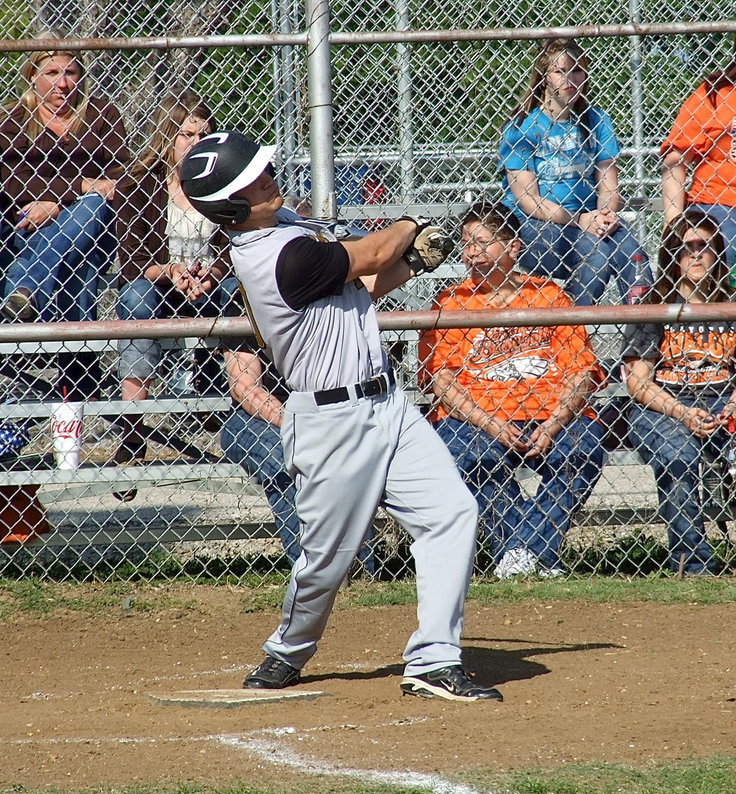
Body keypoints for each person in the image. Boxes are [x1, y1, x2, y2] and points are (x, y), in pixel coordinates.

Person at [180, 130, 502, 702]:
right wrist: (409, 224)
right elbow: (373, 252)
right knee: (327, 560)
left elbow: (361, 285)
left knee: (451, 513)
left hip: (389, 404)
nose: (269, 177)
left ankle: (433, 661)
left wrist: (415, 263)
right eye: (253, 181)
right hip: (330, 422)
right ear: (231, 207)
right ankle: (288, 649)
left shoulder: (289, 231)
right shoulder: (274, 255)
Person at [419, 201, 606, 578]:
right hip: (477, 416)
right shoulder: (450, 302)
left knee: (583, 450)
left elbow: (581, 372)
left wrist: (554, 424)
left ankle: (520, 553)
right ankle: (529, 557)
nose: (472, 251)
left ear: (513, 247)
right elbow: (442, 380)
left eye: (483, 241)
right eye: (467, 242)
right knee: (470, 457)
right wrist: (491, 424)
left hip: (550, 411)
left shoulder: (549, 295)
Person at [114, 92, 239, 466]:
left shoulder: (225, 184)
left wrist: (213, 274)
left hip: (210, 284)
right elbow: (133, 262)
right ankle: (133, 428)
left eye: (204, 136)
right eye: (186, 135)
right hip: (159, 287)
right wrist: (171, 271)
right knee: (135, 296)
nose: (195, 144)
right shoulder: (137, 186)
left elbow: (236, 249)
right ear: (167, 137)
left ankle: (238, 391)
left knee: (237, 289)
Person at [0, 44, 129, 398]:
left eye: (70, 73)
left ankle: (24, 293)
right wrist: (81, 184)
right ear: (32, 77)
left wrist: (59, 200)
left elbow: (118, 179)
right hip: (25, 229)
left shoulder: (102, 116)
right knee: (78, 258)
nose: (62, 84)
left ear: (81, 77)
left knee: (89, 211)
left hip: (87, 226)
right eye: (52, 73)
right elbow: (10, 177)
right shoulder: (11, 119)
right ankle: (80, 368)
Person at [498, 38, 652, 306]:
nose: (571, 78)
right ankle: (568, 335)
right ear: (544, 77)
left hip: (591, 217)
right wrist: (581, 220)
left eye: (578, 70)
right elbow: (528, 200)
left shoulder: (597, 119)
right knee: (595, 254)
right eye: (561, 71)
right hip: (535, 225)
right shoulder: (522, 126)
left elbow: (608, 186)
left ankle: (641, 343)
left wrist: (605, 214)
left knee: (634, 256)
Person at [621, 209, 730, 575]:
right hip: (664, 405)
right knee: (678, 455)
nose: (696, 255)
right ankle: (695, 564)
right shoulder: (654, 306)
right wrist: (682, 413)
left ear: (718, 252)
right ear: (671, 254)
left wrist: (732, 406)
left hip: (725, 401)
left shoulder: (730, 304)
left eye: (705, 246)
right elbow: (637, 381)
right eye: (686, 248)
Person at [220, 342, 376, 572]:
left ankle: (362, 568)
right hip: (252, 419)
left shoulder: (321, 314)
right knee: (284, 459)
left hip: (318, 414)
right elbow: (246, 390)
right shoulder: (247, 311)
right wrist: (296, 424)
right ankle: (310, 568)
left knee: (344, 454)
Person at [661, 60, 736, 267]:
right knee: (725, 245)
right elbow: (675, 162)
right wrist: (674, 225)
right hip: (719, 204)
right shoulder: (714, 93)